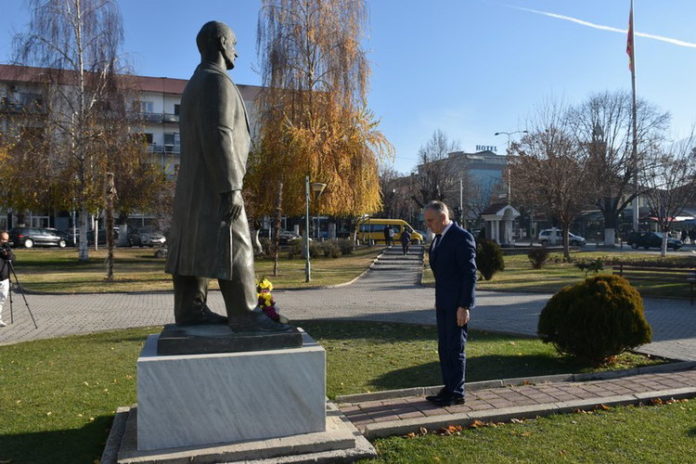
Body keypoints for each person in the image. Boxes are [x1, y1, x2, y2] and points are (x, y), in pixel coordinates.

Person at [165, 21, 287, 332]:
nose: (236, 51)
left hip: (194, 186)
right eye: (234, 43)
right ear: (221, 42)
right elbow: (219, 135)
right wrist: (231, 187)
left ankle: (190, 310)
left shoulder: (195, 83)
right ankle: (246, 314)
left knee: (194, 243)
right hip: (216, 183)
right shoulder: (216, 81)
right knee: (237, 243)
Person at [423, 200, 477, 406]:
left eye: (430, 220)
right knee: (444, 347)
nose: (428, 225)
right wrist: (439, 301)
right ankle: (448, 387)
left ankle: (456, 392)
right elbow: (442, 276)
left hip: (457, 306)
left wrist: (464, 306)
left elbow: (469, 274)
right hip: (443, 304)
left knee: (455, 348)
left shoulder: (462, 237)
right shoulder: (438, 239)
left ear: (443, 218)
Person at [0, 231, 15, 327]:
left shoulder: (6, 249)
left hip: (5, 278)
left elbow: (13, 259)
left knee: (2, 299)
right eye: (2, 239)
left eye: (6, 240)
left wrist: (8, 252)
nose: (4, 241)